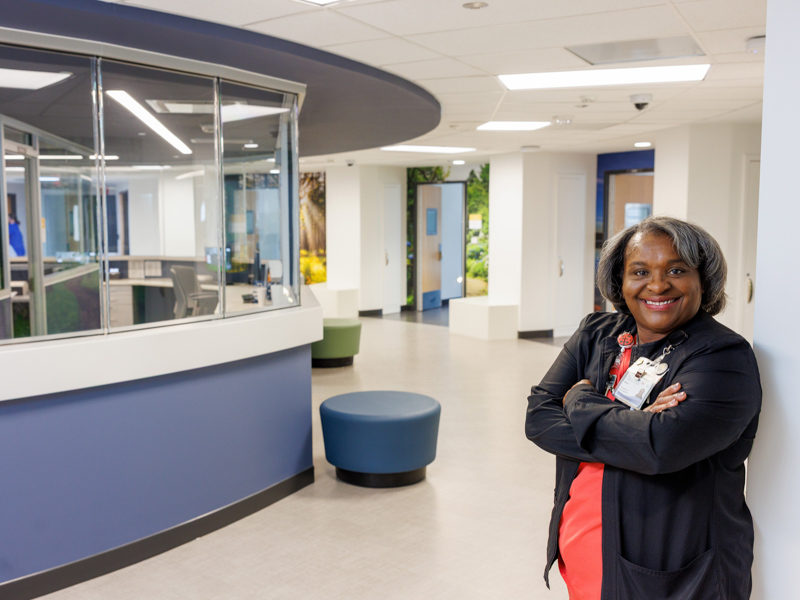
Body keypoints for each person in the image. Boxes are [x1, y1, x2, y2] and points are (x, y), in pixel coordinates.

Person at [525, 216, 761, 600]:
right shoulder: (596, 333)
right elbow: (538, 418)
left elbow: (660, 448)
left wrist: (579, 400)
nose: (657, 284)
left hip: (674, 578)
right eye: (640, 270)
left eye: (676, 269)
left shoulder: (722, 357)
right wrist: (633, 426)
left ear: (704, 280)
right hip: (586, 563)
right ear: (620, 280)